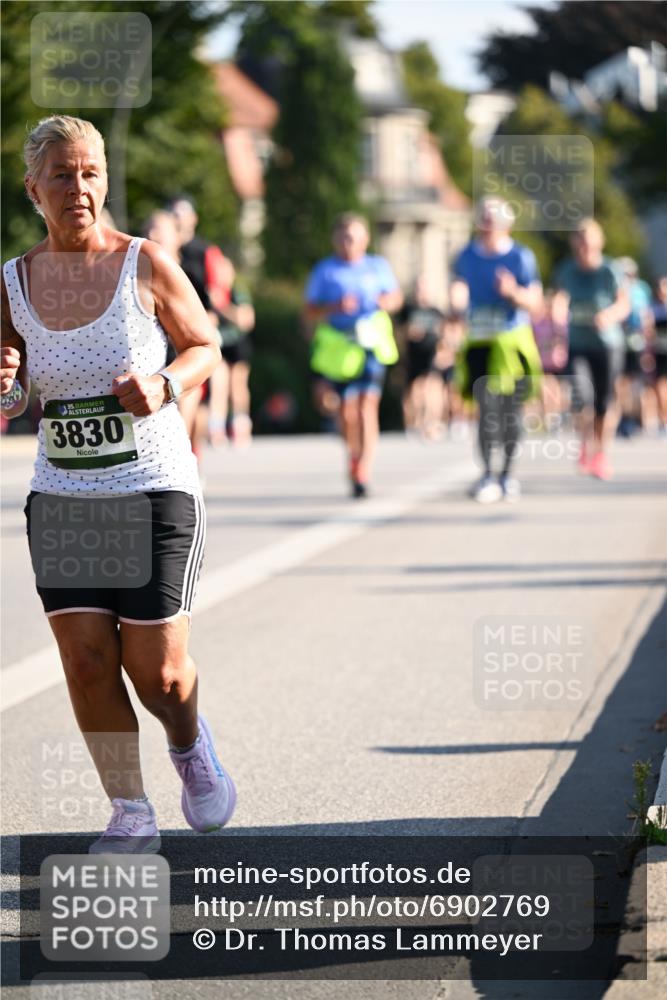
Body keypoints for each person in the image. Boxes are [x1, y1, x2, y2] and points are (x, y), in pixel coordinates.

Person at [1, 115, 235, 852]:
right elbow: (14, 397)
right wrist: (5, 387)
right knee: (86, 660)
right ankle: (130, 811)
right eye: (62, 175)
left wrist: (165, 385)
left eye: (91, 173)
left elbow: (205, 345)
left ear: (104, 181)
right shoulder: (11, 283)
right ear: (33, 189)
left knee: (156, 673)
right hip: (64, 496)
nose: (79, 188)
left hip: (152, 485)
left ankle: (189, 744)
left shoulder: (146, 263)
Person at [304, 213, 403, 497]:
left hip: (370, 344)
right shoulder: (325, 270)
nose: (349, 243)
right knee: (346, 412)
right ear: (336, 240)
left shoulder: (377, 266)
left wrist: (384, 302)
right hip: (340, 349)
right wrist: (335, 307)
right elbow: (309, 310)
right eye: (345, 238)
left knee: (367, 406)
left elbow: (395, 298)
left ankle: (363, 469)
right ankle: (353, 454)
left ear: (365, 239)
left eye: (355, 238)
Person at [452, 196, 543, 503]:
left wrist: (512, 292)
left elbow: (535, 301)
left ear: (507, 224)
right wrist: (456, 303)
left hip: (511, 341)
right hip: (479, 341)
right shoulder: (466, 255)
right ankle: (487, 475)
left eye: (494, 220)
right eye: (484, 219)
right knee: (486, 409)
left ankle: (507, 474)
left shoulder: (521, 257)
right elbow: (458, 287)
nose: (488, 226)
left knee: (511, 411)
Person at [552, 219, 630, 480]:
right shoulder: (567, 270)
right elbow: (560, 298)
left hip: (607, 345)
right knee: (581, 397)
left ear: (599, 241)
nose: (584, 245)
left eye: (588, 240)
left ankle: (601, 453)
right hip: (578, 344)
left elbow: (624, 304)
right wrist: (558, 314)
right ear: (574, 243)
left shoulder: (610, 270)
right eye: (580, 240)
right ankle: (586, 443)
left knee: (603, 404)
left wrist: (609, 315)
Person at [168, 195, 234, 455]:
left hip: (198, 330)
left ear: (193, 218)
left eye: (183, 213)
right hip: (168, 333)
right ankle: (183, 454)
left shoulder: (205, 252)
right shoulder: (159, 251)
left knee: (197, 401)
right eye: (174, 213)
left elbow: (218, 295)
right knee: (182, 400)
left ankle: (194, 454)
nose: (178, 219)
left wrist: (207, 322)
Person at [398, 276, 446, 439]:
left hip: (431, 355)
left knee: (433, 387)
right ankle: (413, 423)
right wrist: (409, 332)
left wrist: (443, 352)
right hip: (413, 356)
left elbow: (444, 333)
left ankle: (432, 423)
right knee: (414, 390)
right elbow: (399, 331)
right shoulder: (408, 310)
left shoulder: (436, 312)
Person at [615, 256, 653, 437]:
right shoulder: (615, 288)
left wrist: (648, 346)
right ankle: (624, 418)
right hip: (618, 342)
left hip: (636, 343)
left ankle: (635, 419)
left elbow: (645, 317)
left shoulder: (640, 290)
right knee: (620, 382)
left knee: (636, 383)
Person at [648, 276, 667, 434]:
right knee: (659, 388)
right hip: (659, 352)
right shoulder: (653, 308)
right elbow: (648, 331)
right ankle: (663, 420)